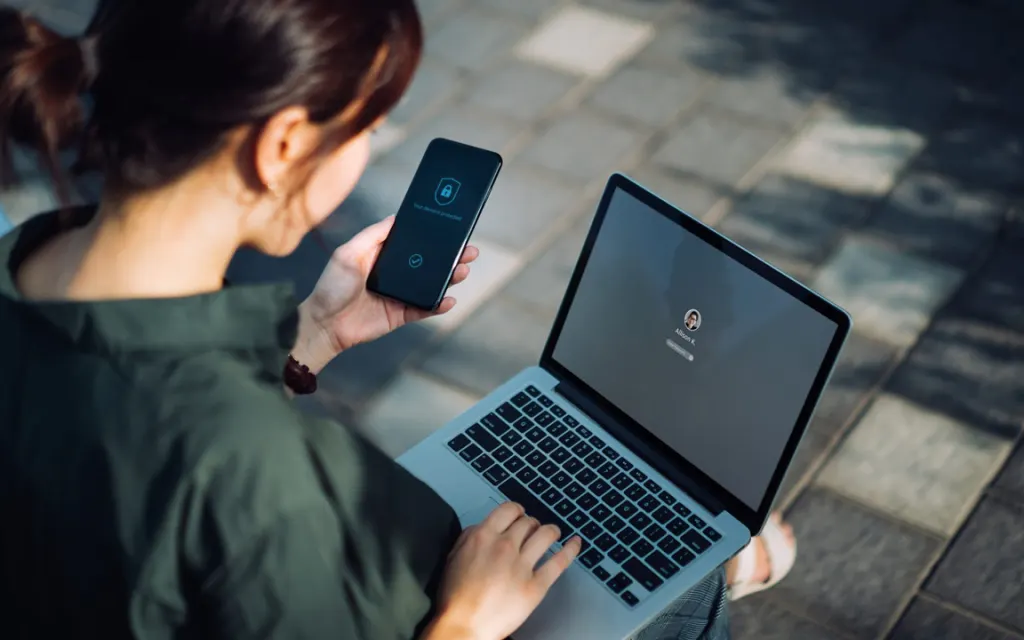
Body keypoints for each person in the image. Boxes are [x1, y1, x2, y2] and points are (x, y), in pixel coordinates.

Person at [0, 2, 796, 639]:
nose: (369, 150)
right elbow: (213, 471)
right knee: (680, 599)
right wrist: (466, 622)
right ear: (281, 145)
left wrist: (312, 336)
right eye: (367, 125)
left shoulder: (22, 260)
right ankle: (710, 578)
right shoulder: (247, 468)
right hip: (433, 599)